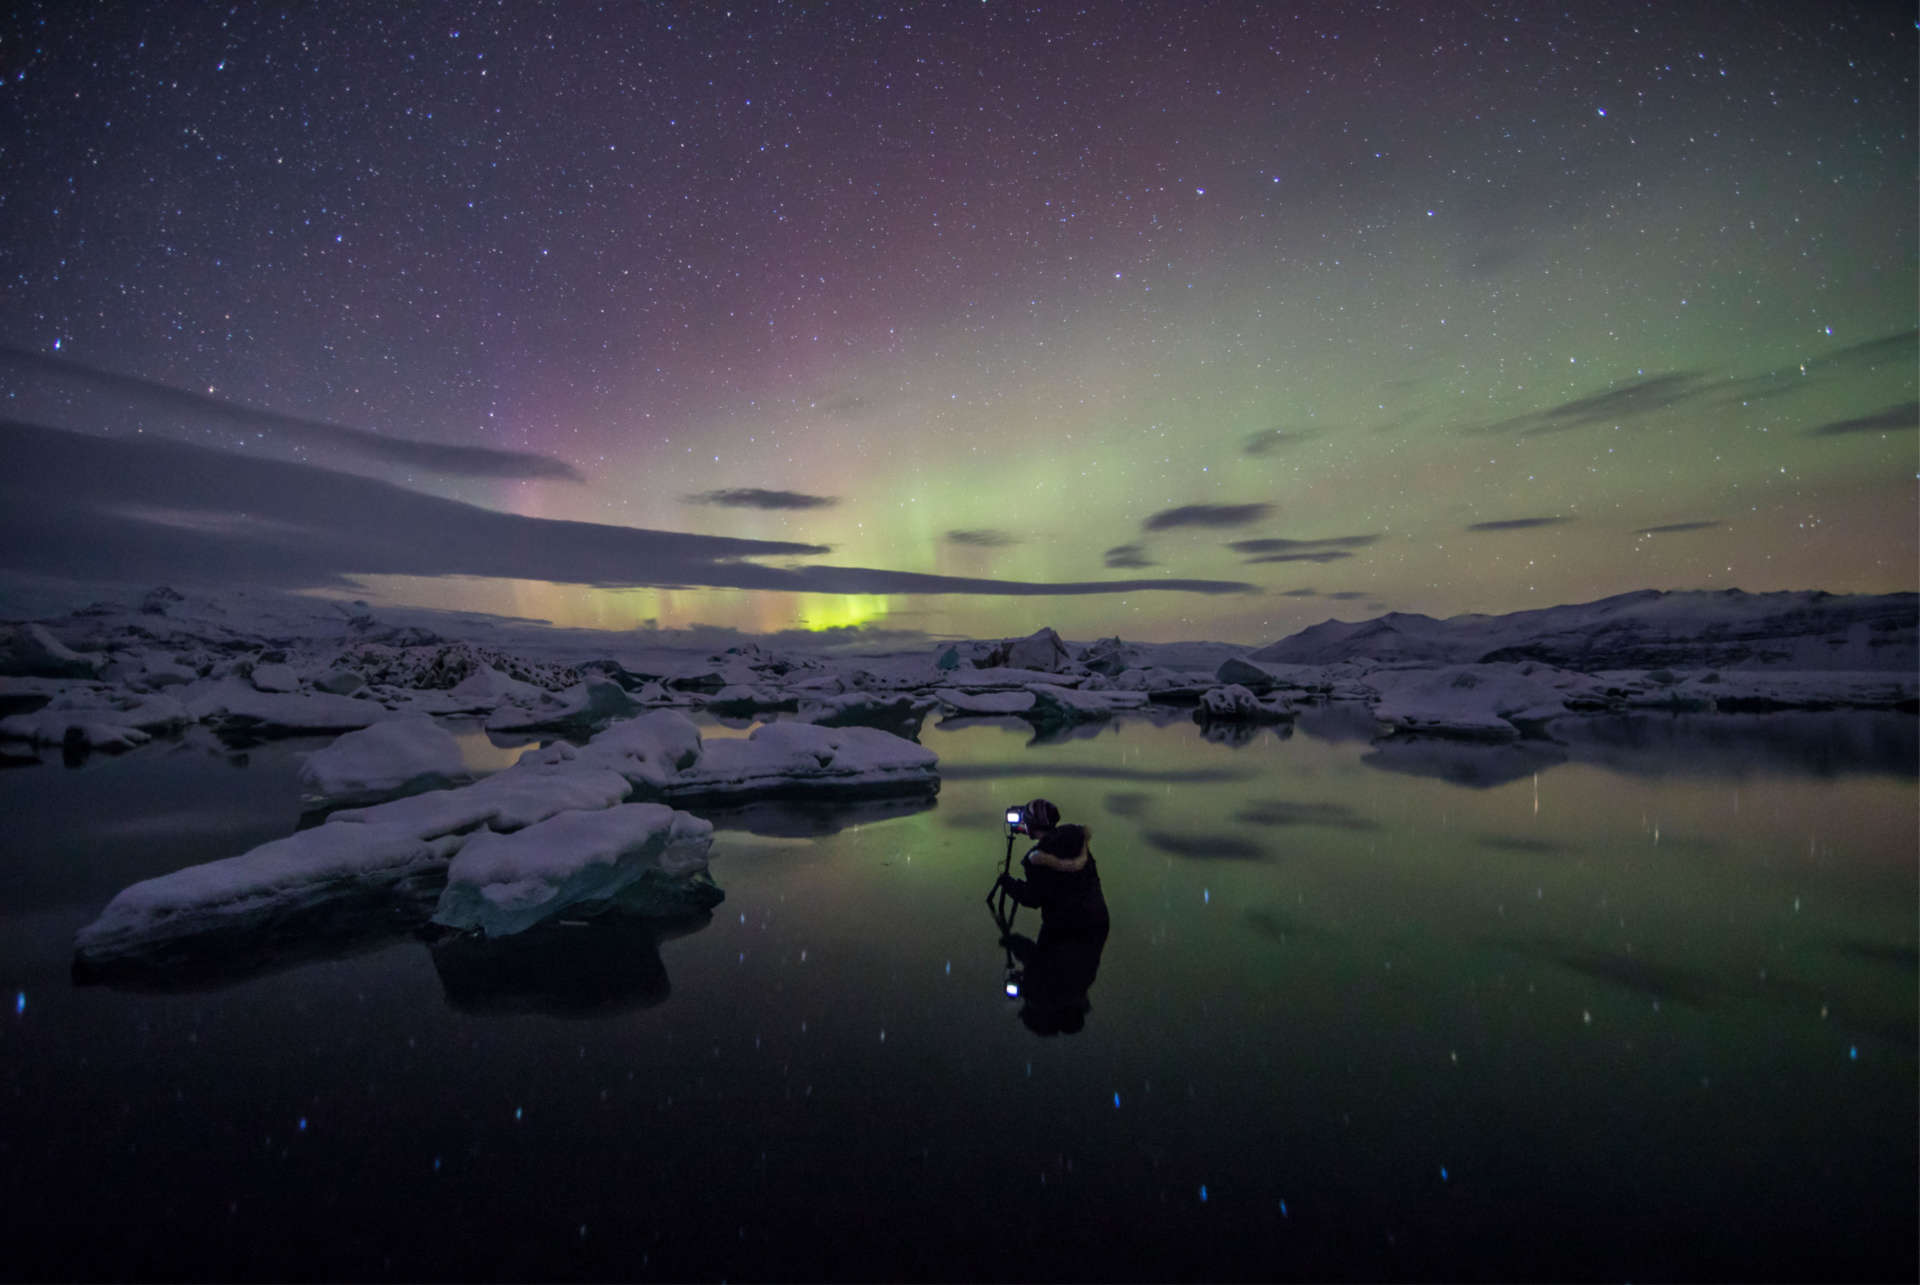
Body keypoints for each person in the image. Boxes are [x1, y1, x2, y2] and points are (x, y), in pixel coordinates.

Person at [996, 798, 1110, 1034]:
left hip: (1063, 931)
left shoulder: (1038, 858)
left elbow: (1033, 898)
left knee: (1056, 959)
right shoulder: (1075, 842)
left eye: (1025, 821)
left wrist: (1008, 885)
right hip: (1096, 924)